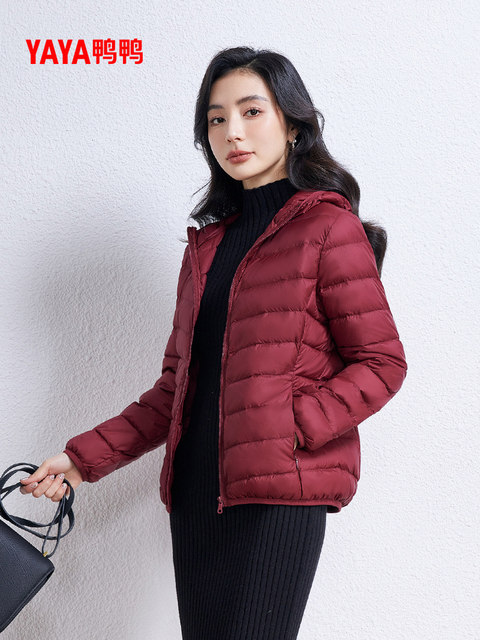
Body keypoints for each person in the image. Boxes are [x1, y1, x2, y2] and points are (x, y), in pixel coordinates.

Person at [20, 46, 408, 639]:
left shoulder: (329, 228)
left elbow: (382, 362)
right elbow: (174, 391)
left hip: (279, 496)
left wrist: (293, 422)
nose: (233, 132)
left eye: (252, 111)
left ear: (293, 124)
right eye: (217, 119)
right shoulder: (207, 248)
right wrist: (81, 460)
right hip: (198, 495)